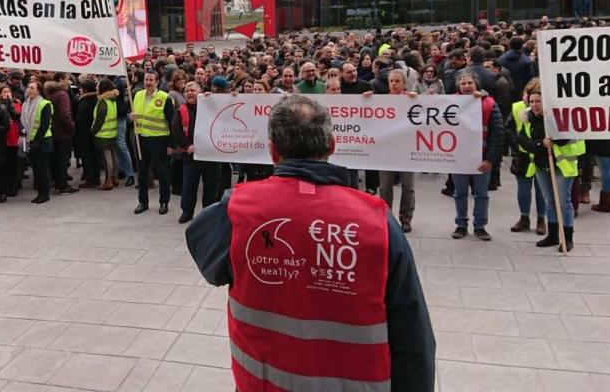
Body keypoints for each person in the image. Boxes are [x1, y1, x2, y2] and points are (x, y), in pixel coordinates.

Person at [185, 95, 435, 392]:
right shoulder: (379, 221)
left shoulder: (235, 209)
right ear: (332, 145)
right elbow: (414, 339)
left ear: (273, 151)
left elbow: (207, 260)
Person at [519, 88, 585, 252]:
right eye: (532, 101)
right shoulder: (528, 119)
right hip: (542, 164)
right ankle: (553, 234)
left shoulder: (560, 116)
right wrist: (540, 144)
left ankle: (567, 238)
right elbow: (523, 140)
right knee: (550, 202)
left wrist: (552, 128)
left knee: (564, 203)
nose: (534, 105)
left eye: (538, 101)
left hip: (563, 166)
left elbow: (564, 140)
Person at [450, 70, 503, 241]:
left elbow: (498, 134)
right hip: (458, 158)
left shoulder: (489, 104)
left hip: (482, 158)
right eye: (463, 83)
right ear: (458, 85)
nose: (466, 86)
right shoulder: (449, 103)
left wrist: (490, 159)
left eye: (469, 83)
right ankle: (461, 224)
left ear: (476, 85)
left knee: (481, 194)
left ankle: (480, 226)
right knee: (460, 193)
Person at [172, 82, 221, 224]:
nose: (190, 93)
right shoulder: (180, 110)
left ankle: (208, 214)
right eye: (187, 91)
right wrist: (187, 146)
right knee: (188, 186)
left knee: (211, 187)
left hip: (211, 156)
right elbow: (176, 130)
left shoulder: (210, 105)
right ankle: (187, 212)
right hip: (191, 156)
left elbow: (225, 109)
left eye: (193, 90)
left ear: (200, 91)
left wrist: (213, 99)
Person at [375, 69, 417, 233]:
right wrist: (364, 100)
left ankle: (406, 218)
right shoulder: (380, 101)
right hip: (387, 150)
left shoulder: (411, 99)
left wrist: (417, 100)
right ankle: (386, 217)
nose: (393, 84)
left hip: (407, 149)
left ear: (404, 84)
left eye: (397, 81)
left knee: (408, 186)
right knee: (385, 186)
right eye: (391, 81)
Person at [130, 70, 175, 215]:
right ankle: (143, 202)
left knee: (162, 173)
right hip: (140, 139)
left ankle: (164, 202)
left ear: (157, 82)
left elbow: (172, 123)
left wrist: (171, 144)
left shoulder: (165, 98)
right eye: (146, 80)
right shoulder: (137, 95)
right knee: (142, 172)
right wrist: (129, 117)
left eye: (151, 80)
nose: (148, 82)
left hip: (159, 140)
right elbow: (128, 112)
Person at [506, 79, 546, 235]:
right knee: (523, 189)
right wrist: (516, 146)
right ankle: (524, 217)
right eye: (528, 94)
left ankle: (542, 219)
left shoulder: (546, 110)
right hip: (522, 154)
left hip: (541, 154)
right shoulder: (518, 108)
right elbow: (509, 128)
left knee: (541, 189)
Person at [21, 80, 54, 204]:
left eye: (32, 88)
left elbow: (44, 125)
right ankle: (40, 192)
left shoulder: (44, 104)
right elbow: (24, 121)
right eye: (28, 87)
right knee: (36, 168)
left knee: (42, 169)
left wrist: (36, 140)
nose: (29, 90)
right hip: (31, 139)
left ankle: (44, 193)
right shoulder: (26, 103)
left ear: (39, 91)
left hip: (42, 140)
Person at [45, 77, 79, 195]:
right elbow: (65, 114)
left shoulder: (48, 94)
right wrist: (71, 127)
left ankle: (57, 183)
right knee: (63, 160)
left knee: (54, 159)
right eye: (67, 79)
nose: (69, 81)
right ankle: (63, 185)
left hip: (51, 131)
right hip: (63, 131)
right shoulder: (62, 95)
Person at [92, 79, 120, 190]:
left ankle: (108, 182)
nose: (96, 88)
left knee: (106, 158)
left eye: (98, 86)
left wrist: (94, 130)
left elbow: (100, 118)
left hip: (103, 133)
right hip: (112, 131)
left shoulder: (102, 101)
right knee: (114, 156)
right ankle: (115, 177)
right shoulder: (112, 100)